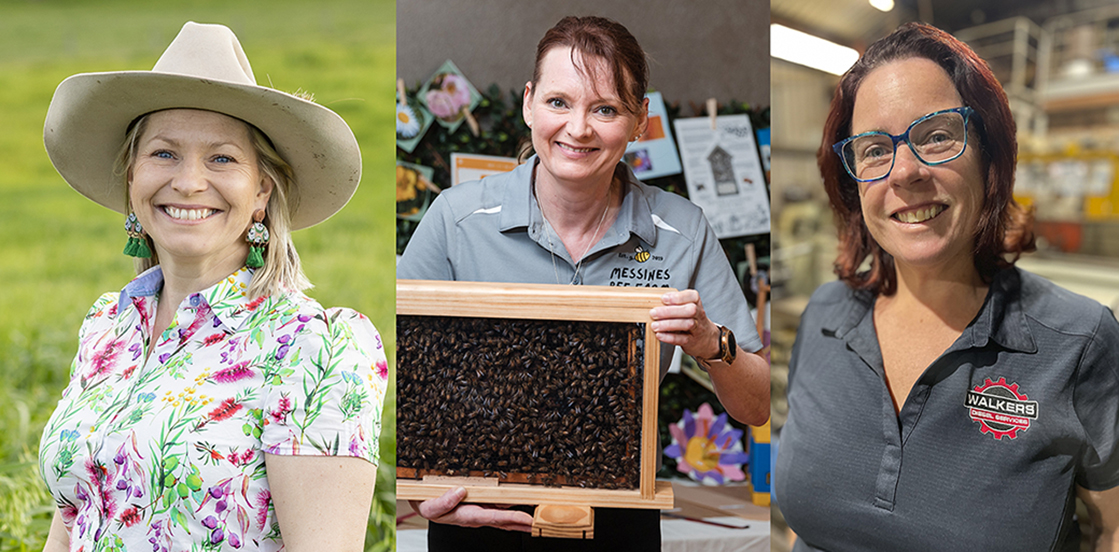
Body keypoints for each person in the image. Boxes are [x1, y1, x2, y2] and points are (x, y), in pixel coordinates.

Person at [397, 15, 770, 551]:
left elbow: (756, 407)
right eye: (558, 103)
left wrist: (712, 344)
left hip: (619, 516)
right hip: (472, 514)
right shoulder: (456, 218)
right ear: (529, 103)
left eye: (606, 109)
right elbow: (391, 372)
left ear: (640, 120)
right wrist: (416, 495)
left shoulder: (682, 230)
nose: (578, 129)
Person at [36, 22, 388, 552]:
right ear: (132, 176)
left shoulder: (316, 346)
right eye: (163, 153)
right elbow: (77, 518)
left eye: (221, 158)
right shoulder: (107, 328)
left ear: (261, 191)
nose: (189, 181)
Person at [774, 22, 1119, 551]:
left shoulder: (1078, 340)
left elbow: (1111, 530)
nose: (904, 172)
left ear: (990, 157)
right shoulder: (826, 313)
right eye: (873, 149)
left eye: (936, 135)